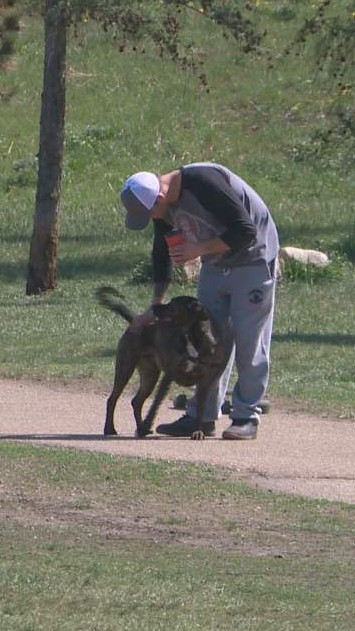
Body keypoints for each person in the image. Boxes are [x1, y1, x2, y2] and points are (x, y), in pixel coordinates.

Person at [119, 162, 278, 441]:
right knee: (204, 338)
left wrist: (197, 249)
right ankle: (201, 416)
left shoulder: (204, 182)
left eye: (151, 212)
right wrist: (157, 301)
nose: (155, 218)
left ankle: (245, 416)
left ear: (158, 196)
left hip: (254, 258)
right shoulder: (160, 204)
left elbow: (245, 231)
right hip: (216, 264)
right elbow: (161, 250)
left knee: (248, 338)